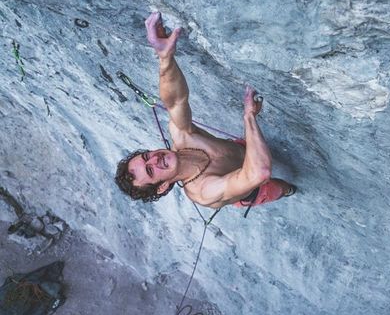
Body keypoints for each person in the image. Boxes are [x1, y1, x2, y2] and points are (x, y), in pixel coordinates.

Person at [115, 12, 295, 213]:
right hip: (251, 186)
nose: (154, 159)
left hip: (244, 149)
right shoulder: (204, 191)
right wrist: (249, 117)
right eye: (150, 170)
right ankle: (289, 190)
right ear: (162, 186)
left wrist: (165, 58)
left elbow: (175, 101)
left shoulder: (182, 138)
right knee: (279, 188)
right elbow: (258, 174)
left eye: (147, 156)